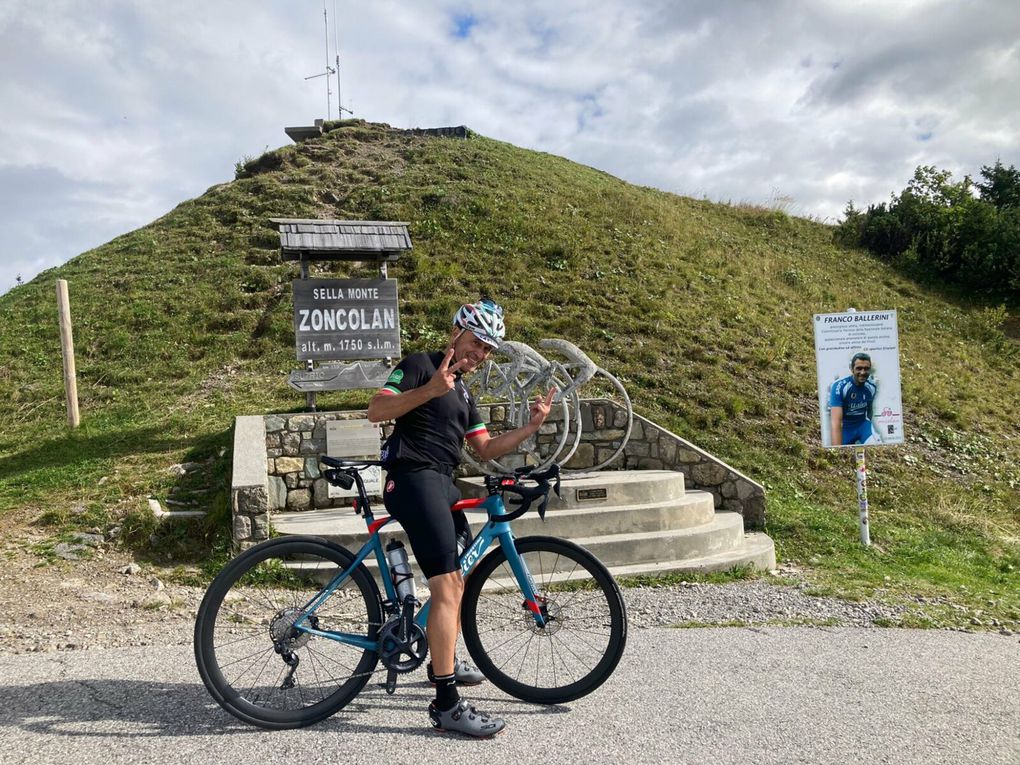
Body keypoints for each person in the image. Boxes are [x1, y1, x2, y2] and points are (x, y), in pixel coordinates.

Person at [366, 298, 554, 738]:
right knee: (447, 583)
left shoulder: (465, 391)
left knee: (458, 578)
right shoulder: (421, 366)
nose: (480, 353)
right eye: (475, 342)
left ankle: (441, 659)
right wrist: (430, 390)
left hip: (443, 483)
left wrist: (530, 428)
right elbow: (376, 409)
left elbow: (484, 449)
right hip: (413, 477)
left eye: (488, 349)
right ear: (455, 332)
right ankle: (447, 704)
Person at [828, 352, 879, 446]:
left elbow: (870, 409)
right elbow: (836, 422)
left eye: (866, 369)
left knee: (877, 448)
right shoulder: (839, 386)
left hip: (862, 425)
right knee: (842, 456)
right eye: (859, 368)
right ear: (852, 369)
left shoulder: (871, 387)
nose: (863, 372)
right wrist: (837, 449)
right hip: (846, 428)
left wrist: (869, 423)